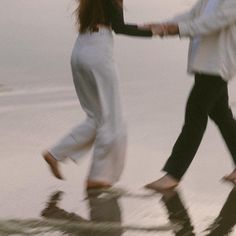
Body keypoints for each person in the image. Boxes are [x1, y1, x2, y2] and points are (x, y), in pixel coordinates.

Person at [43, 0, 154, 189]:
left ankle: (55, 153)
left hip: (80, 50)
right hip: (98, 52)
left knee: (97, 118)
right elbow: (119, 27)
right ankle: (98, 177)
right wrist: (153, 31)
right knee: (113, 121)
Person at [144, 0, 236, 191]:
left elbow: (212, 22)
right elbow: (192, 15)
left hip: (218, 65)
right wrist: (163, 25)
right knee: (221, 114)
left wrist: (175, 29)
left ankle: (173, 174)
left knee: (195, 115)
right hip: (206, 64)